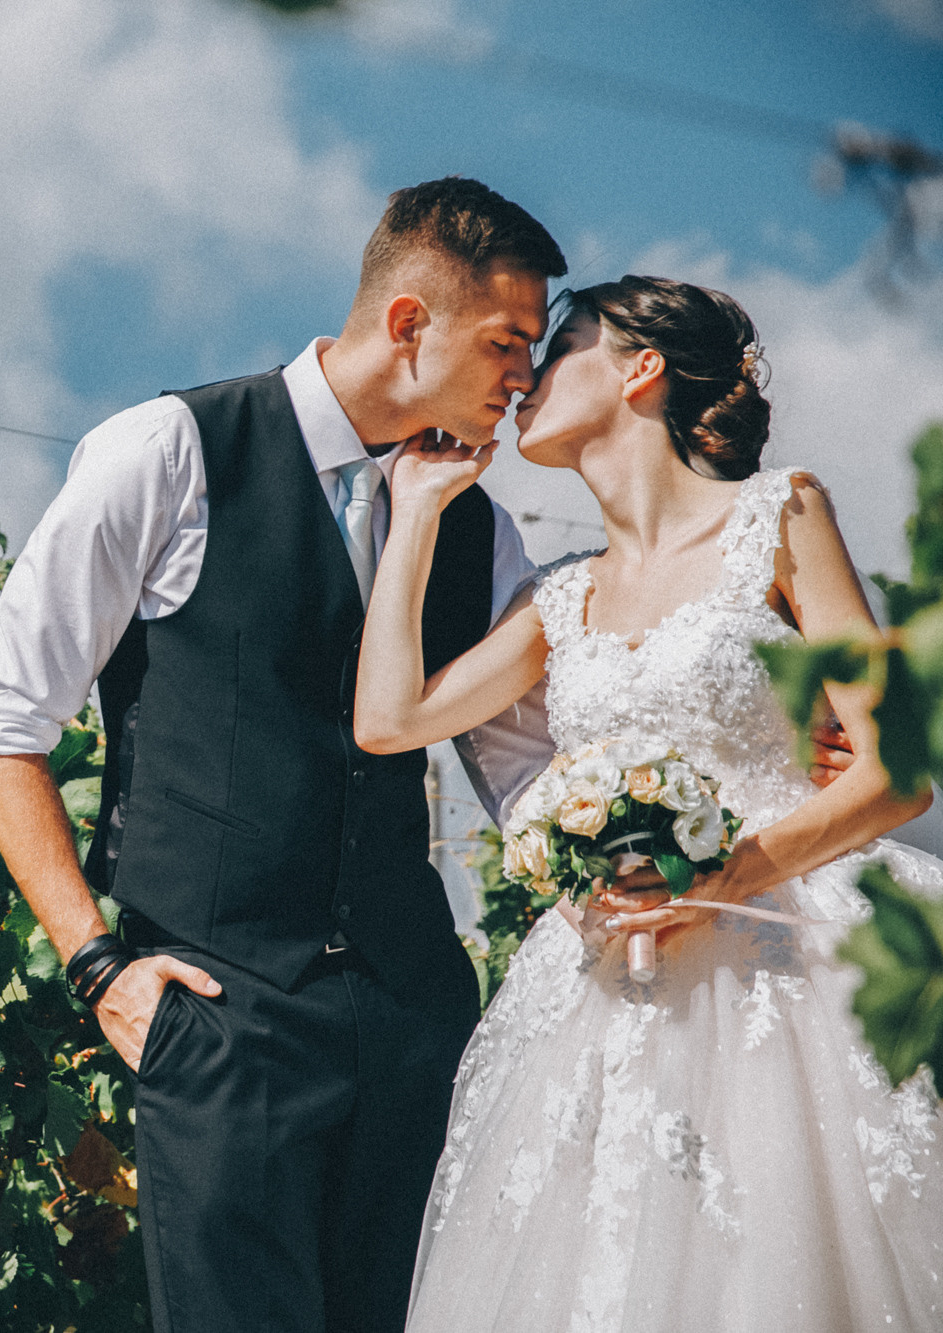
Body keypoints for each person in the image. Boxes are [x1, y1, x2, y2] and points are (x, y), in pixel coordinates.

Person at [0, 178, 569, 1333]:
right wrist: (96, 965)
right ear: (406, 324)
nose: (523, 378)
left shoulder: (479, 529)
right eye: (505, 341)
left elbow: (528, 774)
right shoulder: (167, 452)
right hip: (217, 1012)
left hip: (409, 1024)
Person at [353, 274, 943, 1330]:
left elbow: (896, 771)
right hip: (603, 989)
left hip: (782, 965)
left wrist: (727, 875)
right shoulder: (560, 596)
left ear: (640, 367)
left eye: (560, 344)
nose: (526, 376)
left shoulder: (781, 513)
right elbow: (390, 718)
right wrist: (415, 513)